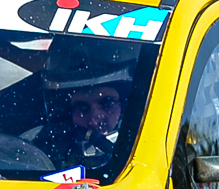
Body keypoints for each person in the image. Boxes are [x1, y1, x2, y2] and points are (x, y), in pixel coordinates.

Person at [26, 40, 138, 176]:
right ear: (66, 113)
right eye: (82, 108)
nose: (95, 118)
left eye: (107, 103)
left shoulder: (151, 147)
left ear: (125, 105)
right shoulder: (37, 148)